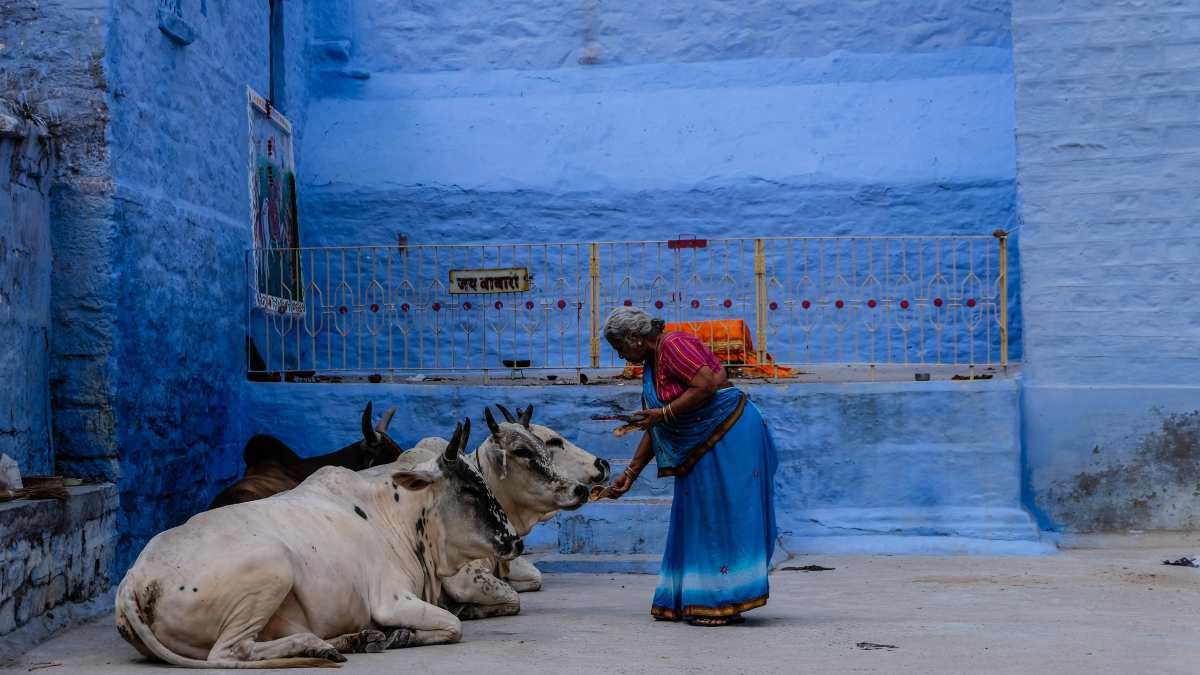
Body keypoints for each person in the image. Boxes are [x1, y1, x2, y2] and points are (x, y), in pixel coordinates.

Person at [601, 306, 778, 626]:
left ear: (634, 338)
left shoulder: (673, 345)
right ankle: (697, 596)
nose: (622, 357)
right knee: (696, 515)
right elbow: (658, 427)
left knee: (720, 515)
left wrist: (664, 414)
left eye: (620, 348)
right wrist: (630, 474)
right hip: (700, 440)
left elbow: (707, 384)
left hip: (729, 430)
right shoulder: (652, 364)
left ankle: (724, 600)